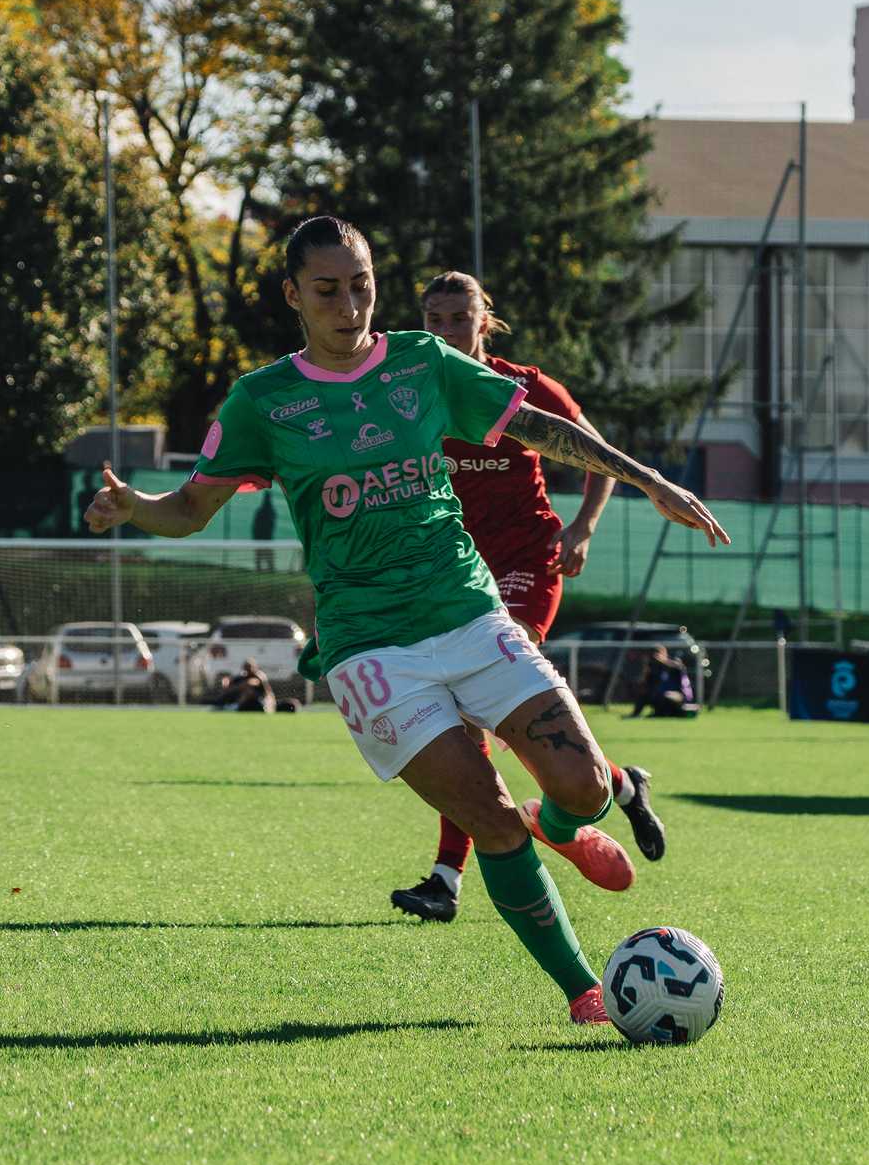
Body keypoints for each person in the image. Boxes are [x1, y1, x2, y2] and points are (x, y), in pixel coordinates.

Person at [84, 215, 728, 1027]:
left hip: (466, 610)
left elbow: (542, 426)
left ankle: (557, 822)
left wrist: (648, 481)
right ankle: (583, 992)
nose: (350, 305)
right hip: (369, 649)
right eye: (327, 290)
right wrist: (132, 508)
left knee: (588, 787)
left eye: (362, 285)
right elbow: (188, 508)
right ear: (293, 295)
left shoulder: (423, 363)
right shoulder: (262, 401)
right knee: (490, 822)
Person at [391, 270, 666, 925]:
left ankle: (446, 877)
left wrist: (585, 528)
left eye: (459, 317)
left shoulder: (525, 386)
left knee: (476, 707)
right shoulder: (418, 391)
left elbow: (599, 454)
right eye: (435, 318)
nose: (447, 330)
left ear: (485, 320)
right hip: (457, 576)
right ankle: (620, 783)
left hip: (526, 565)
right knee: (472, 714)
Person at [630, 643, 699, 720]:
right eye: (653, 654)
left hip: (678, 695)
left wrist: (665, 661)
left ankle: (660, 714)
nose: (656, 657)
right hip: (659, 694)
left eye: (658, 653)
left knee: (666, 695)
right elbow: (645, 683)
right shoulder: (654, 668)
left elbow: (680, 667)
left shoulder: (673, 665)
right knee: (644, 695)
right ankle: (634, 715)